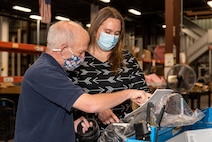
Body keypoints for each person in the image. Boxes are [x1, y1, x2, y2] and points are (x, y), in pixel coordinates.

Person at [14, 21, 151, 142]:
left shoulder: (56, 70)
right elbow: (90, 104)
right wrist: (129, 94)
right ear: (63, 49)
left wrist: (69, 125)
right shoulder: (44, 73)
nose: (83, 57)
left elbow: (48, 114)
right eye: (80, 52)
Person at [69, 6, 151, 140]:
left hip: (124, 133)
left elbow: (142, 90)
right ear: (95, 29)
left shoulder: (127, 59)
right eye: (108, 31)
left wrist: (154, 100)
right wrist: (96, 110)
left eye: (117, 33)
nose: (112, 37)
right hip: (88, 133)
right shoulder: (79, 58)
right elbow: (68, 98)